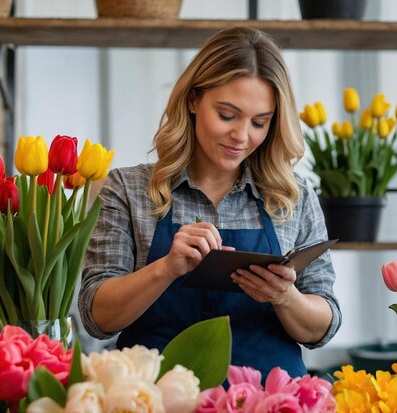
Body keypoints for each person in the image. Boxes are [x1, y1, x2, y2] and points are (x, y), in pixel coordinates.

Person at [78, 27, 341, 379]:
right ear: (192, 100)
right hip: (154, 396)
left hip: (270, 399)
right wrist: (166, 268)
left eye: (259, 122)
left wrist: (284, 297)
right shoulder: (128, 189)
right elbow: (97, 317)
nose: (242, 136)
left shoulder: (293, 195)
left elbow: (323, 326)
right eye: (228, 115)